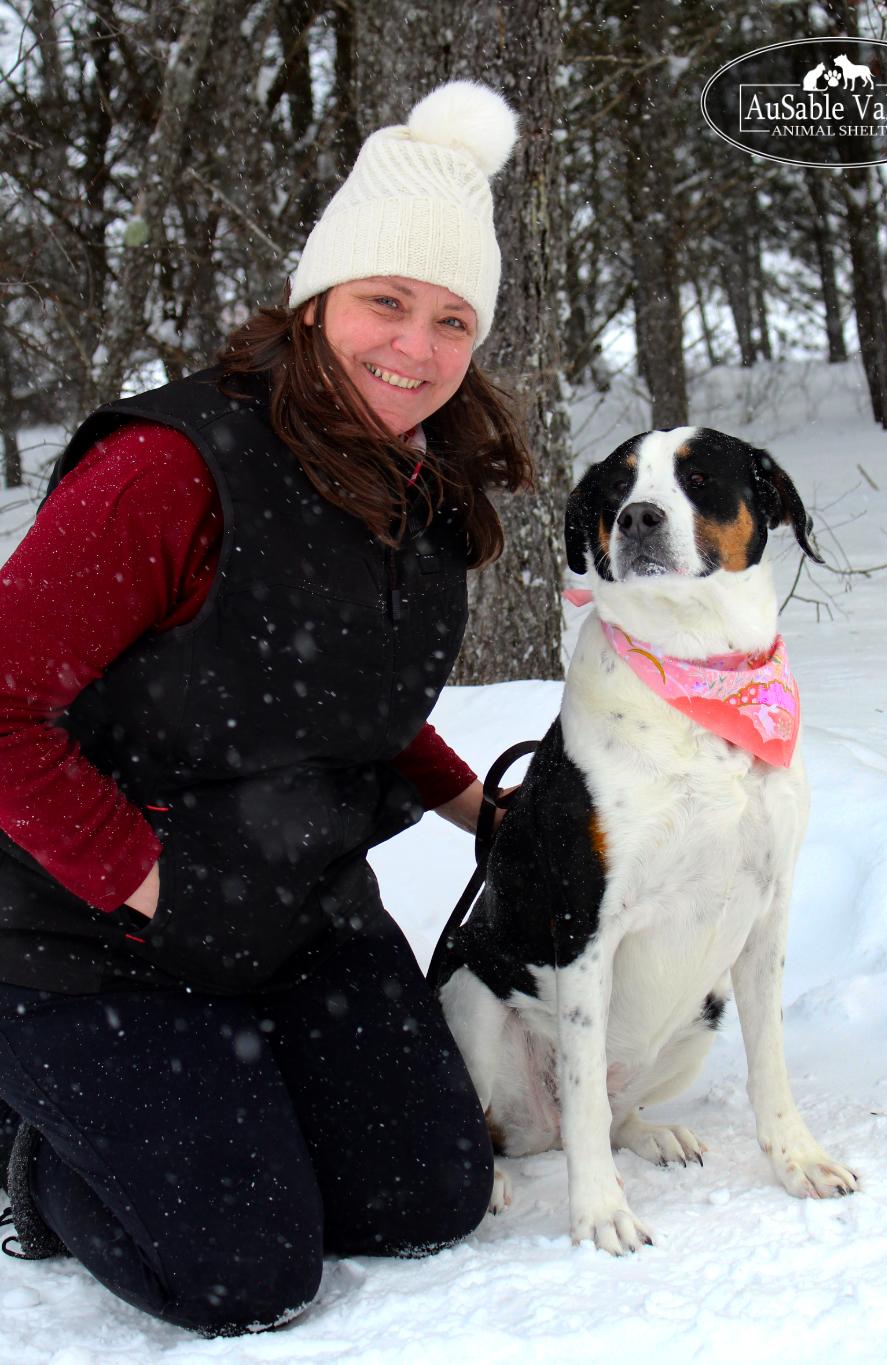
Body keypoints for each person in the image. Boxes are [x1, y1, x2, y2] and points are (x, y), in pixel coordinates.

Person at [0, 80, 531, 1337]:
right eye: (384, 301)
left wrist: (484, 812)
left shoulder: (412, 485)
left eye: (452, 320)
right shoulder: (172, 468)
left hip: (291, 912)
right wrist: (157, 889)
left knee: (421, 1197)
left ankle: (218, 1110)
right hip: (89, 936)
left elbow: (343, 698)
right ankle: (31, 1154)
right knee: (240, 1272)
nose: (414, 346)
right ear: (315, 301)